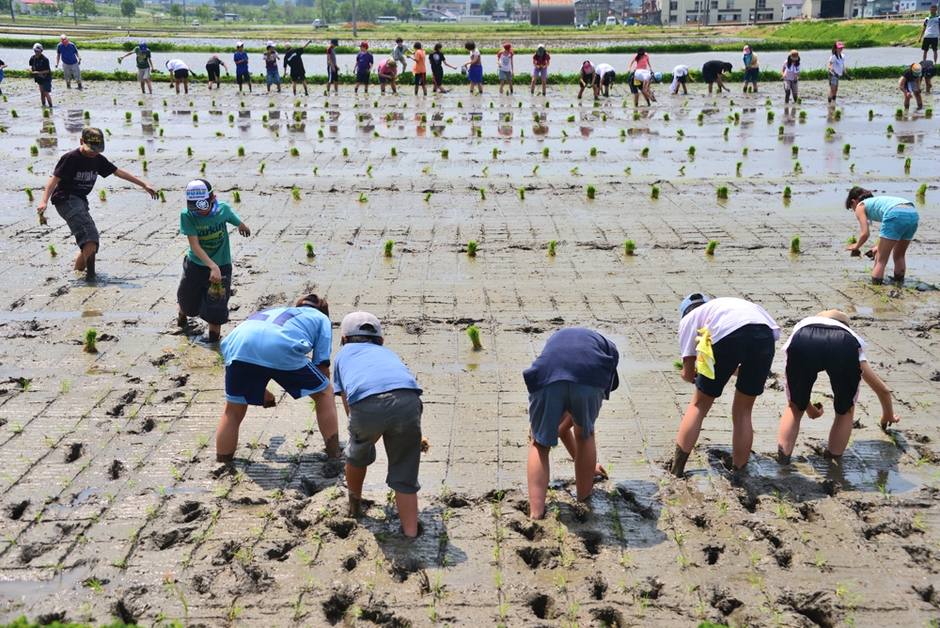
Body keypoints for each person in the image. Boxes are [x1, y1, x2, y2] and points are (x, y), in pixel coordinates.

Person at [216, 295, 340, 463]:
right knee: (325, 392)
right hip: (281, 345)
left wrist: (259, 390)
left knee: (233, 409)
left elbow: (254, 354)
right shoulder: (322, 319)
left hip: (238, 343)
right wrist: (322, 391)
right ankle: (334, 456)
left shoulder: (274, 310)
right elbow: (322, 365)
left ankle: (223, 462)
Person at [333, 312, 424, 538]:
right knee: (405, 472)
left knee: (355, 454)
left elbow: (349, 405)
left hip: (365, 404)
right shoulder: (389, 353)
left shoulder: (342, 356)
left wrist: (364, 439)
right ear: (381, 341)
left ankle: (354, 507)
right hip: (408, 401)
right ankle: (411, 534)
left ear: (343, 339)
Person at [670, 294, 780, 477]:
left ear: (684, 313)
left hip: (730, 335)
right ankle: (740, 472)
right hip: (764, 335)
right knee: (743, 412)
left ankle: (676, 470)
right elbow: (737, 364)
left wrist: (692, 376)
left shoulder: (688, 320)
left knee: (698, 405)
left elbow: (687, 373)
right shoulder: (722, 307)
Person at [776, 310, 898, 465]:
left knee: (794, 406)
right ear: (846, 325)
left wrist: (808, 408)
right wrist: (888, 415)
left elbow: (798, 392)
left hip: (805, 339)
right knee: (845, 410)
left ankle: (783, 460)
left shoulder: (803, 324)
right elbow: (883, 390)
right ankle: (832, 463)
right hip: (841, 343)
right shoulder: (848, 334)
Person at [35, 127, 158, 281]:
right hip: (66, 199)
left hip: (80, 200)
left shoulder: (98, 159)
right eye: (90, 149)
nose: (93, 152)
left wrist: (144, 185)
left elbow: (118, 171)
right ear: (81, 142)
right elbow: (54, 179)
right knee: (89, 234)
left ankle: (78, 272)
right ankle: (91, 278)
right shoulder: (71, 157)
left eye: (97, 149)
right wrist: (43, 201)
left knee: (90, 239)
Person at [523, 328, 619, 519]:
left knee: (539, 444)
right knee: (585, 434)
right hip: (590, 374)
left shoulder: (560, 344)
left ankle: (536, 514)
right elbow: (575, 424)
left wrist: (542, 434)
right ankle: (584, 501)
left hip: (547, 374)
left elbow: (564, 422)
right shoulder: (608, 353)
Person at [177, 179, 251, 343]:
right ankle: (181, 317)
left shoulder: (222, 209)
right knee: (187, 300)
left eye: (203, 206)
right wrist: (212, 266)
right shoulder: (188, 215)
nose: (200, 211)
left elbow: (231, 216)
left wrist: (241, 225)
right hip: (196, 264)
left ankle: (214, 341)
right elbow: (195, 246)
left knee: (216, 306)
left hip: (222, 264)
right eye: (195, 207)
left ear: (213, 198)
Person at [844, 187, 919, 285]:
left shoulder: (860, 206)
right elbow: (894, 235)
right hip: (912, 213)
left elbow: (865, 233)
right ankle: (899, 283)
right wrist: (878, 247)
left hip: (895, 212)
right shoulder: (876, 201)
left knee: (881, 259)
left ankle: (876, 287)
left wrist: (856, 246)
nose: (854, 210)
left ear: (853, 201)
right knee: (899, 255)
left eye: (851, 207)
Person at [29, 43, 53, 109]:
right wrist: (30, 70)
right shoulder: (32, 58)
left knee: (45, 92)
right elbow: (31, 66)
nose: (36, 52)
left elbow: (47, 71)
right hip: (39, 77)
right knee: (42, 92)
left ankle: (51, 106)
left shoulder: (45, 59)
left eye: (38, 51)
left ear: (41, 51)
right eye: (35, 51)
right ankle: (43, 106)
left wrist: (38, 72)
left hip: (46, 77)